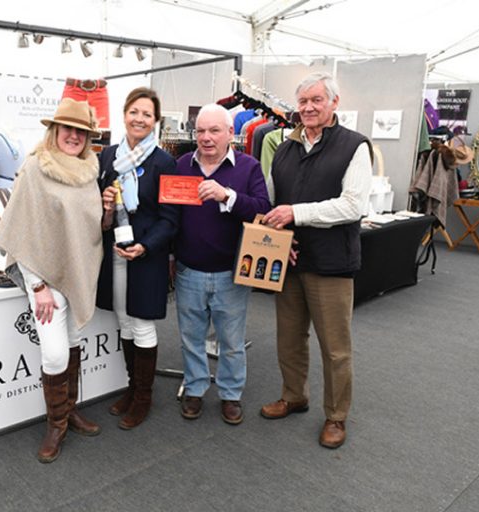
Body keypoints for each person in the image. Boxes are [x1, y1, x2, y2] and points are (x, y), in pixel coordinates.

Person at [260, 72, 373, 449]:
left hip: (331, 264)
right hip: (290, 260)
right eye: (303, 101)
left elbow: (352, 205)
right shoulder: (283, 149)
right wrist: (277, 235)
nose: (307, 107)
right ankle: (294, 396)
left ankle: (336, 416)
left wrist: (296, 214)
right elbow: (275, 204)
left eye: (316, 100)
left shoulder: (355, 146)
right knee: (289, 339)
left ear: (334, 103)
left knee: (335, 347)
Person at [0, 98, 103, 463]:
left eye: (81, 131)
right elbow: (21, 230)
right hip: (43, 277)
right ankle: (56, 423)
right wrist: (37, 285)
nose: (73, 136)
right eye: (67, 128)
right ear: (54, 130)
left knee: (72, 343)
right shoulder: (36, 168)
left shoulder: (89, 170)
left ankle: (69, 410)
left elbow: (86, 228)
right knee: (55, 352)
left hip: (76, 272)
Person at [174, 103, 270, 425]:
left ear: (231, 133)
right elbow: (170, 215)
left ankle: (230, 394)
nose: (206, 137)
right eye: (200, 131)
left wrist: (227, 195)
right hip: (189, 270)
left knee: (231, 341)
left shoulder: (249, 167)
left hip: (231, 272)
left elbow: (262, 209)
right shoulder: (181, 165)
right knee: (191, 337)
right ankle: (196, 389)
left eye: (214, 130)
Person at [97, 87, 179, 429]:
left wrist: (145, 246)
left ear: (155, 121)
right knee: (123, 321)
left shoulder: (164, 162)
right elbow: (96, 209)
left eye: (147, 114)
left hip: (146, 256)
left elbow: (171, 218)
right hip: (113, 253)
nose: (139, 119)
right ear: (124, 114)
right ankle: (132, 389)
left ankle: (143, 398)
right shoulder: (107, 157)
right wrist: (102, 208)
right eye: (134, 112)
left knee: (142, 325)